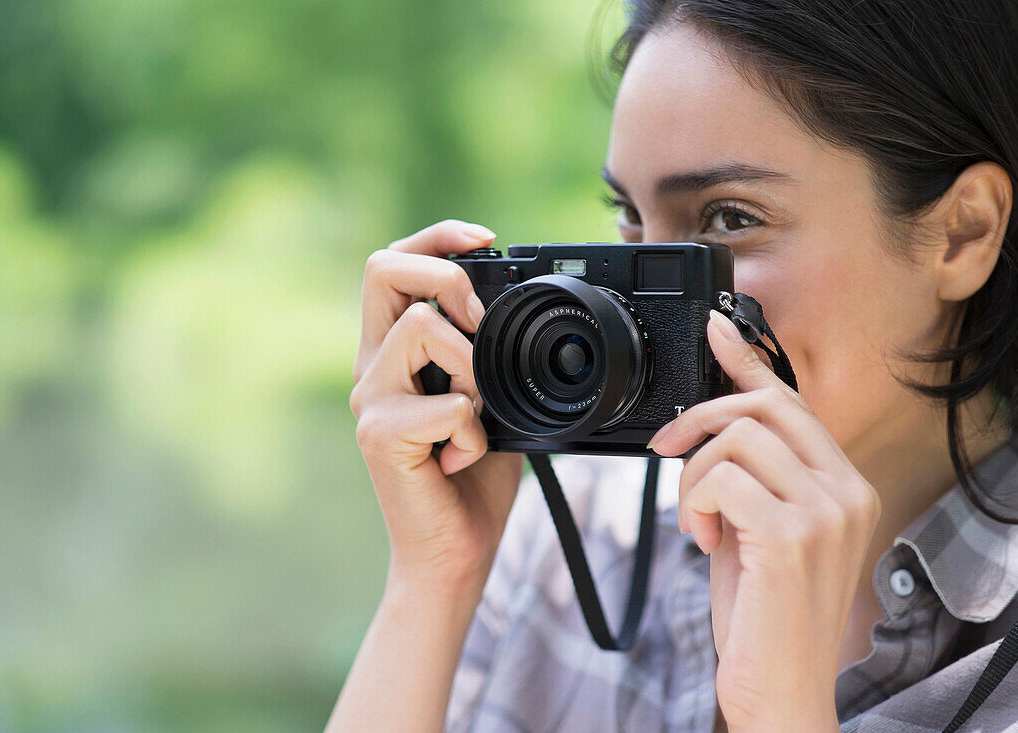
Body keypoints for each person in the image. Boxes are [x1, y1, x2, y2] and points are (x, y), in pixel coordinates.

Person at [328, 0, 1018, 730]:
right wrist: (433, 578)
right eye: (630, 220)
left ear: (961, 232)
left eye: (730, 218)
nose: (632, 300)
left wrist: (780, 712)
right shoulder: (571, 539)